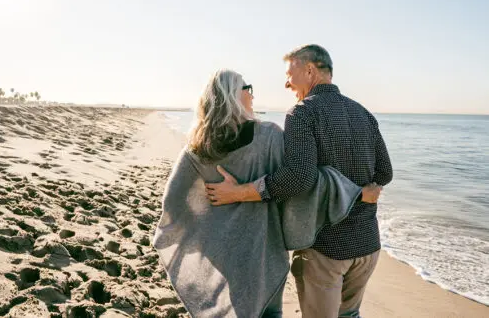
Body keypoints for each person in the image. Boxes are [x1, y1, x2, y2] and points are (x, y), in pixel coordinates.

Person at [153, 69, 381, 318]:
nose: (251, 96)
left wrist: (208, 228)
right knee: (270, 311)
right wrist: (357, 193)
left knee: (238, 309)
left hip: (223, 248)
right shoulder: (269, 137)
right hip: (264, 247)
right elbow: (304, 182)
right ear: (234, 95)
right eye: (247, 89)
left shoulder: (197, 146)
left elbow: (174, 204)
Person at [206, 45, 393, 318]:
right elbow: (385, 173)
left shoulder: (303, 112)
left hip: (325, 246)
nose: (286, 83)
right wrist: (359, 190)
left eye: (289, 74)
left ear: (309, 70)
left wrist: (237, 193)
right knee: (350, 315)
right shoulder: (363, 113)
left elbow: (297, 179)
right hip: (367, 245)